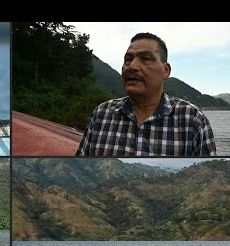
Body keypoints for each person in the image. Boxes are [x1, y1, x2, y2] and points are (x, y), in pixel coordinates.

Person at [76, 32, 217, 156]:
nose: (132, 66)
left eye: (145, 58)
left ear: (166, 70)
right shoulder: (102, 114)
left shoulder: (192, 119)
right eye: (128, 59)